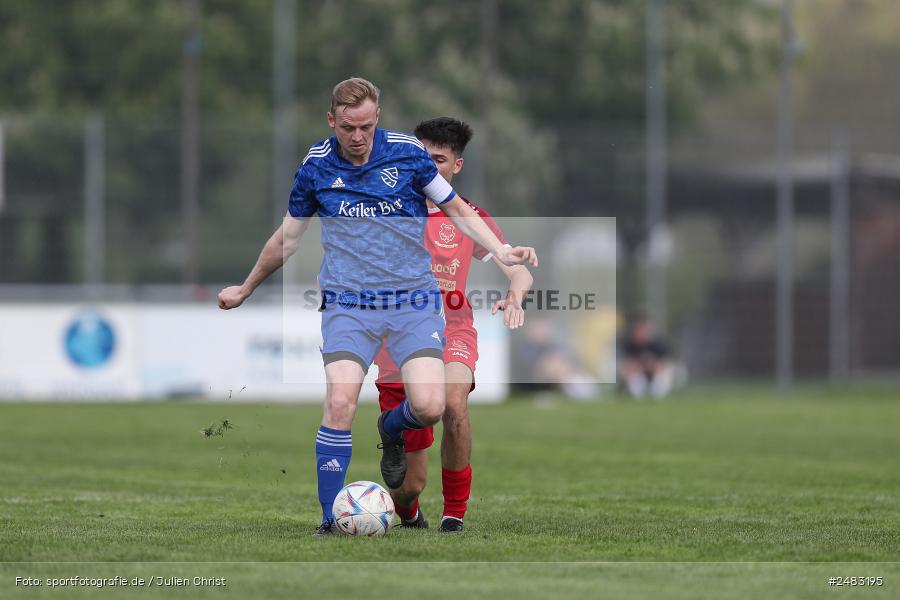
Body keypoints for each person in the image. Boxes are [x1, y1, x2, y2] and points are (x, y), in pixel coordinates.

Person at [216, 78, 538, 535]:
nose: (358, 136)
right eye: (349, 127)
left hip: (412, 303)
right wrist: (246, 287)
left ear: (377, 119)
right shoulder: (315, 168)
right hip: (348, 303)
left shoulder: (408, 154)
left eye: (367, 126)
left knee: (429, 407)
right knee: (341, 401)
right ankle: (330, 519)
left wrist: (502, 253)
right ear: (333, 121)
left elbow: (458, 210)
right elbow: (287, 238)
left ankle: (392, 429)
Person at [373, 117, 533, 533]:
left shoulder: (467, 218)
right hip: (399, 338)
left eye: (439, 159)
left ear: (456, 166)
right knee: (409, 486)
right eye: (423, 156)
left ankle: (454, 515)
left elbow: (518, 270)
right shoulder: (386, 209)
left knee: (454, 404)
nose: (430, 165)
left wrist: (515, 293)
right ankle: (408, 509)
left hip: (452, 332)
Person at [619, 314, 673, 399]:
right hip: (640, 376)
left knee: (662, 378)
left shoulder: (658, 345)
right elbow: (626, 368)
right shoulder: (630, 345)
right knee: (634, 379)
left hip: (655, 376)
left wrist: (651, 366)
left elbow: (665, 365)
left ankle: (657, 396)